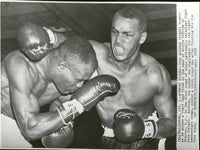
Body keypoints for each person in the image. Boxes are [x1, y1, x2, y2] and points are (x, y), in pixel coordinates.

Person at [17, 7, 176, 149]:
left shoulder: (154, 73)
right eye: (115, 32)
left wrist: (143, 129)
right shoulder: (98, 55)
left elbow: (171, 123)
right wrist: (47, 35)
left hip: (148, 141)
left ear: (142, 38)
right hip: (108, 139)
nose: (118, 41)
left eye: (127, 35)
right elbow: (72, 44)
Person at [1, 35, 120, 148]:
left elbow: (59, 105)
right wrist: (77, 106)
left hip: (16, 124)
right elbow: (30, 129)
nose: (80, 86)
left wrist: (59, 125)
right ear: (62, 66)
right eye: (78, 80)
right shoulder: (20, 65)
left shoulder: (64, 80)